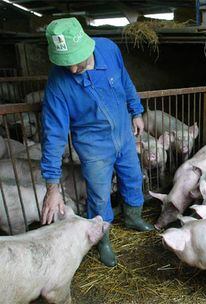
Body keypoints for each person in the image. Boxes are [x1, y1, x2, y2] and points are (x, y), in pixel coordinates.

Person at [41, 17, 153, 267]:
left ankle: (133, 217)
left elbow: (125, 80)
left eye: (75, 61)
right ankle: (102, 239)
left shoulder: (108, 49)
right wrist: (51, 185)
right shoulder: (57, 84)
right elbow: (54, 134)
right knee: (99, 196)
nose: (71, 70)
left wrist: (136, 111)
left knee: (134, 178)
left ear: (86, 47)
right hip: (93, 146)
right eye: (64, 63)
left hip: (124, 134)